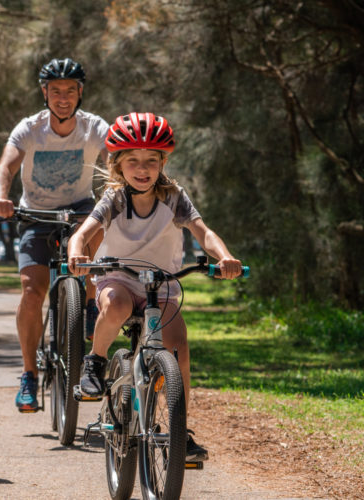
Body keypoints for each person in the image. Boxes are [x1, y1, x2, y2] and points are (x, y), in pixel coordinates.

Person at [67, 111, 243, 462]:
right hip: (117, 277)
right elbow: (84, 233)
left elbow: (203, 232)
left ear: (164, 161)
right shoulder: (114, 198)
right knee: (115, 305)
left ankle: (181, 433)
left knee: (178, 345)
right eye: (133, 160)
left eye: (152, 160)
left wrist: (224, 257)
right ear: (118, 164)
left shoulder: (174, 197)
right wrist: (75, 252)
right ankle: (96, 361)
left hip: (161, 285)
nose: (143, 168)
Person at [0, 57, 110, 413]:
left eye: (69, 91)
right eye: (55, 91)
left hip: (79, 210)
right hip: (35, 214)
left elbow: (115, 157)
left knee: (97, 228)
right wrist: (0, 196)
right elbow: (6, 165)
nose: (62, 98)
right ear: (45, 93)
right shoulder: (29, 128)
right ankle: (29, 375)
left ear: (79, 93)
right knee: (31, 290)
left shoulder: (93, 127)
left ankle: (88, 303)